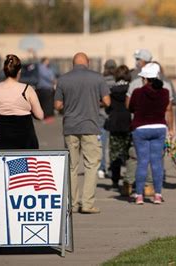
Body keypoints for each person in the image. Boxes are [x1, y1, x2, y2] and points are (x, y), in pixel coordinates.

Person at [54, 52, 110, 214]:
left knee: (72, 166)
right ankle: (87, 203)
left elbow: (57, 105)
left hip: (70, 127)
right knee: (91, 165)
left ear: (73, 63)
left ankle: (72, 203)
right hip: (91, 126)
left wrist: (70, 105)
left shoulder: (63, 79)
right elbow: (107, 101)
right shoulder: (97, 78)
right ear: (88, 62)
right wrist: (93, 101)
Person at [128, 63, 172, 204]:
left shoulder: (137, 92)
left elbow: (131, 108)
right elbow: (166, 107)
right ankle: (157, 195)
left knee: (142, 162)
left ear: (145, 79)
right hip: (159, 127)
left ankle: (139, 195)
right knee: (156, 162)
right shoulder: (165, 92)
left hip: (140, 128)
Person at [0, 54, 44, 149]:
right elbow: (40, 115)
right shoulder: (27, 89)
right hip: (25, 140)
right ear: (19, 71)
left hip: (1, 138)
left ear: (4, 70)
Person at [105, 65, 132, 189]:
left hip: (115, 123)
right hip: (128, 123)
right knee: (129, 153)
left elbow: (107, 107)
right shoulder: (131, 89)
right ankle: (129, 180)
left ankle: (115, 180)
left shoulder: (111, 90)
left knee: (115, 153)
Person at [97, 59, 117, 179]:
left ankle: (101, 168)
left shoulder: (100, 82)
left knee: (101, 145)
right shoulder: (117, 82)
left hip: (101, 116)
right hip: (114, 117)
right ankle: (112, 168)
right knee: (113, 146)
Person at [36, 57, 56, 122]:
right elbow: (46, 76)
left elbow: (52, 75)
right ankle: (44, 117)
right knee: (45, 104)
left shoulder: (48, 68)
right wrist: (53, 80)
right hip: (44, 88)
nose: (48, 62)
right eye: (47, 60)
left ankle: (48, 116)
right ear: (44, 61)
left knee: (49, 103)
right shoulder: (41, 67)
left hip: (49, 88)